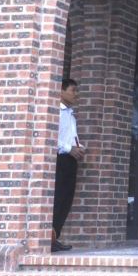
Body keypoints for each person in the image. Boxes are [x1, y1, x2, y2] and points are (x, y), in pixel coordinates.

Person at [52, 78, 86, 253]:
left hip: (70, 160)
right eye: (73, 90)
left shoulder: (70, 114)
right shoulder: (56, 112)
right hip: (60, 160)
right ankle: (48, 238)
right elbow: (51, 137)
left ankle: (54, 236)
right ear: (61, 91)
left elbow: (70, 137)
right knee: (57, 199)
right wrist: (69, 148)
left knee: (66, 200)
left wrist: (79, 147)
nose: (76, 94)